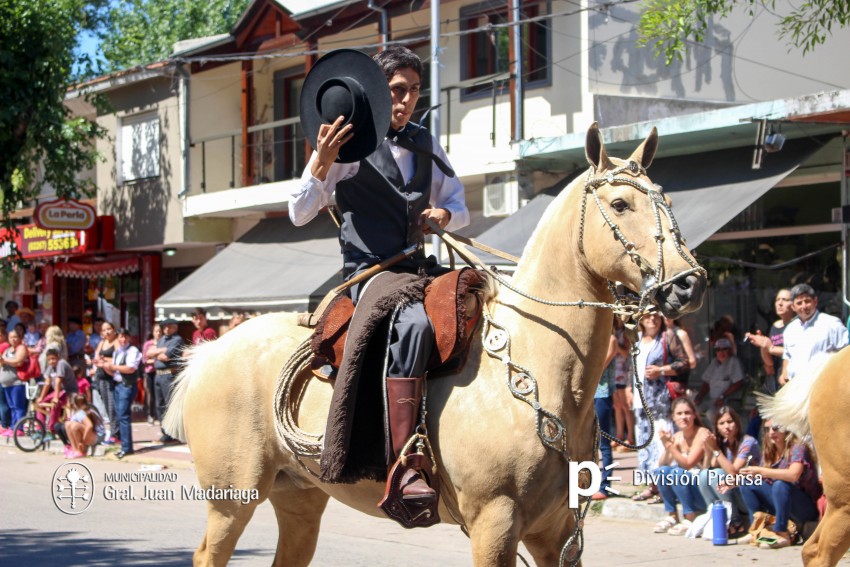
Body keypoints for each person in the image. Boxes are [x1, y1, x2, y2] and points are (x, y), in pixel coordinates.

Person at [290, 46, 468, 501]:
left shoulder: (427, 142)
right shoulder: (348, 144)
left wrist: (444, 215)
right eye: (397, 90)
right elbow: (299, 212)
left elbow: (458, 203)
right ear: (378, 91)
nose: (407, 100)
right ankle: (403, 463)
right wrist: (321, 162)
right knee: (413, 325)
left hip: (418, 266)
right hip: (369, 271)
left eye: (414, 90)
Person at [631, 313, 688, 502]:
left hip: (660, 400)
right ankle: (652, 486)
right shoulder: (637, 339)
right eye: (647, 316)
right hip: (640, 401)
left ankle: (667, 489)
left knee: (661, 441)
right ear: (641, 319)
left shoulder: (667, 337)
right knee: (645, 444)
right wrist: (629, 389)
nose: (652, 319)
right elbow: (634, 366)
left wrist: (661, 370)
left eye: (655, 315)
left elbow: (684, 363)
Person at [739, 420, 821, 549]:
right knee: (747, 482)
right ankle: (756, 529)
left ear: (787, 428)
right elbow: (764, 480)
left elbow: (793, 475)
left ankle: (782, 534)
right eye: (767, 429)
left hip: (805, 507)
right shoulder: (769, 450)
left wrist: (760, 471)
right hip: (782, 502)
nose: (771, 432)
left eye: (776, 428)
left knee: (780, 484)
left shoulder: (798, 447)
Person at [697, 406, 761, 537]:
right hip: (732, 492)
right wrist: (709, 451)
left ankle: (735, 522)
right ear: (717, 427)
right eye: (721, 423)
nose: (726, 426)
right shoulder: (723, 443)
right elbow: (708, 470)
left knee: (718, 475)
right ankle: (716, 516)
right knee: (704, 475)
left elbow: (733, 472)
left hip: (750, 495)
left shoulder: (748, 442)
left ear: (737, 423)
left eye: (730, 421)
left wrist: (716, 450)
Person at [653, 397, 709, 535]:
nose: (683, 417)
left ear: (694, 415)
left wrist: (670, 446)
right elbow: (662, 464)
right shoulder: (678, 436)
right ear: (673, 417)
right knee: (662, 471)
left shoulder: (702, 434)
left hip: (703, 493)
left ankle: (690, 517)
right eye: (679, 414)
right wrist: (667, 446)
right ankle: (672, 516)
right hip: (686, 490)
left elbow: (688, 464)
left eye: (687, 413)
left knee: (677, 473)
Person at [779, 283, 848, 386]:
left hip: (822, 387)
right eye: (799, 303)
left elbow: (846, 354)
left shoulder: (831, 324)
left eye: (807, 301)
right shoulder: (790, 330)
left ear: (815, 301)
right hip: (794, 388)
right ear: (793, 307)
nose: (804, 306)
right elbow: (787, 356)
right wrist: (784, 373)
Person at [102, 327, 142, 459]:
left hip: (127, 385)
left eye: (125, 337)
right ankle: (124, 445)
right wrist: (104, 366)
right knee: (119, 415)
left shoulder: (133, 350)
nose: (123, 339)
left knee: (124, 416)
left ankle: (127, 448)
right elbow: (114, 371)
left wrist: (113, 366)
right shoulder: (117, 352)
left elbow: (130, 368)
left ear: (129, 338)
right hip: (118, 385)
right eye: (120, 337)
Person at [745, 289, 794, 393]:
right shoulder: (774, 327)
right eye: (777, 300)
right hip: (778, 383)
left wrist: (772, 348)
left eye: (784, 300)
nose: (780, 303)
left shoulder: (799, 325)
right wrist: (763, 345)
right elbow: (769, 364)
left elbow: (797, 351)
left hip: (793, 380)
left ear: (793, 304)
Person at [147, 318, 184, 443]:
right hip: (158, 374)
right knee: (159, 405)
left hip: (169, 374)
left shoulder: (177, 339)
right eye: (165, 327)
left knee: (170, 404)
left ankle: (174, 433)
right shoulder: (162, 340)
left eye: (169, 326)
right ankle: (165, 433)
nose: (166, 329)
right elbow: (148, 353)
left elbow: (166, 357)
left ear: (175, 327)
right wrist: (159, 351)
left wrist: (157, 353)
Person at [693, 337, 745, 419]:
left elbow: (739, 383)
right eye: (718, 350)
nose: (721, 352)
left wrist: (723, 396)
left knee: (711, 414)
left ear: (730, 350)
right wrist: (700, 396)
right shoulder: (714, 362)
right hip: (712, 400)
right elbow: (706, 382)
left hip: (729, 401)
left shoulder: (734, 362)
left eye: (724, 349)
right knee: (693, 410)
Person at [35, 347, 78, 437]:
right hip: (59, 391)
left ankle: (52, 430)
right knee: (40, 404)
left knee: (55, 405)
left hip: (69, 392)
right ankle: (40, 429)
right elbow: (47, 383)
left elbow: (58, 381)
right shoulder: (50, 367)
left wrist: (56, 398)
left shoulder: (61, 364)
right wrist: (41, 397)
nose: (51, 361)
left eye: (53, 358)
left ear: (58, 357)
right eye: (49, 360)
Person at [92, 321, 119, 444]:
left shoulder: (116, 342)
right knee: (107, 407)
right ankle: (113, 432)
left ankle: (116, 434)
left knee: (113, 407)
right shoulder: (102, 342)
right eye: (104, 330)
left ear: (114, 329)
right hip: (101, 377)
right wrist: (96, 362)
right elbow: (97, 356)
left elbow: (119, 358)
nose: (107, 332)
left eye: (109, 329)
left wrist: (105, 360)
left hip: (111, 378)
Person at [55, 394, 106, 459]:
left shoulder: (81, 412)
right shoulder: (90, 407)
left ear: (75, 404)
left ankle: (80, 451)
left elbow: (89, 426)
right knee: (68, 424)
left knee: (75, 426)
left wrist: (83, 441)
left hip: (98, 436)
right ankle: (75, 450)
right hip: (97, 435)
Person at [611, 318, 635, 450]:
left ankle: (630, 437)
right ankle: (619, 436)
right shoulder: (612, 330)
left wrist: (615, 346)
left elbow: (626, 353)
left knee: (626, 406)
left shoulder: (626, 331)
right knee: (617, 406)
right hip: (613, 374)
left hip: (623, 373)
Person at [1, 330, 30, 432]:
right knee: (12, 407)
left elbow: (18, 362)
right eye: (11, 337)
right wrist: (4, 361)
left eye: (15, 337)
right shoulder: (7, 350)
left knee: (18, 406)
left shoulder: (21, 348)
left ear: (20, 338)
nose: (13, 339)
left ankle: (19, 428)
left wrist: (5, 361)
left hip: (17, 383)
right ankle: (13, 427)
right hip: (7, 384)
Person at [141, 324, 162, 424]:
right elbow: (144, 360)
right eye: (156, 331)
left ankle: (160, 415)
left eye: (160, 331)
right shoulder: (148, 344)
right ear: (153, 332)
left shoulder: (164, 343)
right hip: (150, 372)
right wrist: (157, 360)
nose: (158, 333)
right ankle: (151, 414)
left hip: (161, 371)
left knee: (160, 394)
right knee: (151, 394)